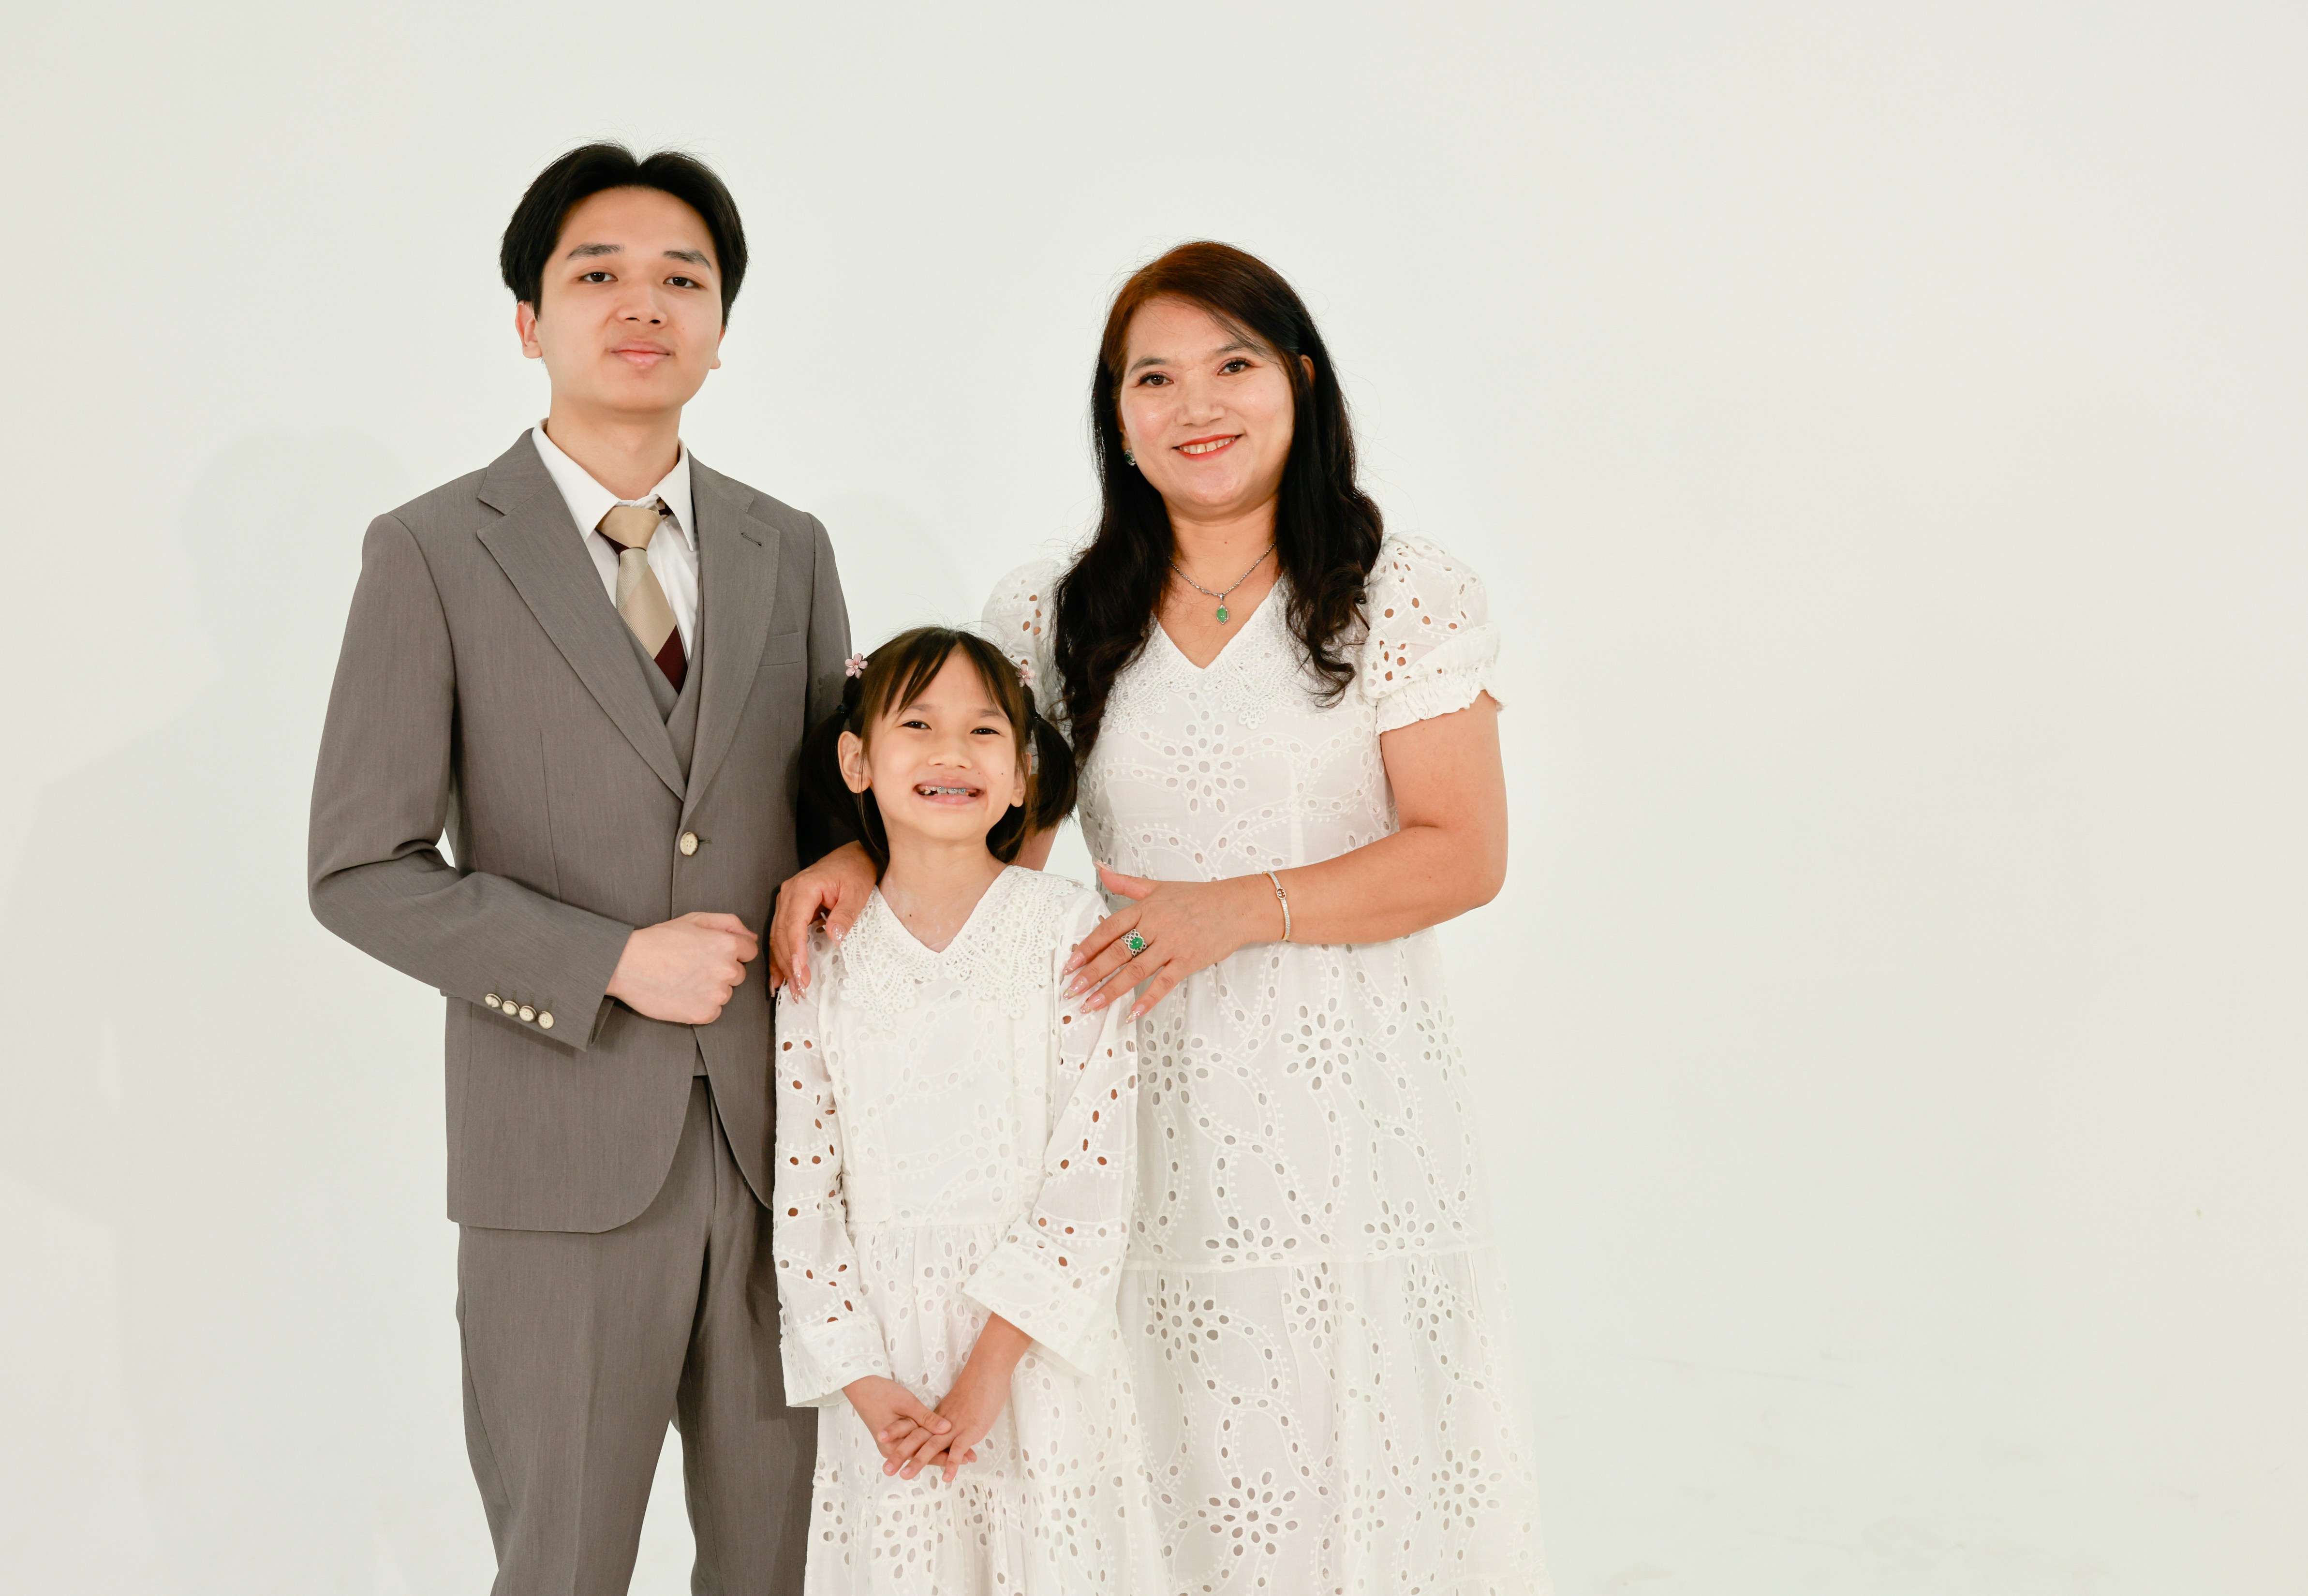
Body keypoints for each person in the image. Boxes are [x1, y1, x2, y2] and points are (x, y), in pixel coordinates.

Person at [774, 242, 1553, 1592]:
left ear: (1298, 383)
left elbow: (1461, 853)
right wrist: (852, 862)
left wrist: (1235, 912)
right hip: (1118, 1120)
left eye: (1233, 366)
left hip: (1347, 1122)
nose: (1197, 404)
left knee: (1345, 1476)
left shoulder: (1398, 594)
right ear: (1116, 415)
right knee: (1157, 1480)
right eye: (1154, 378)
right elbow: (983, 825)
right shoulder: (1051, 609)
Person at [308, 143, 865, 1595]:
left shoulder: (787, 548)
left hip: (783, 1153)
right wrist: (608, 958)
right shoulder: (430, 550)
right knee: (559, 1563)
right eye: (596, 274)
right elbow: (359, 866)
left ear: (722, 326)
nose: (643, 304)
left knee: (780, 1564)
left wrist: (856, 863)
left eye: (682, 278)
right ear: (527, 318)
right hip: (554, 1160)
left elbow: (834, 809)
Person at [772, 627, 1166, 1595]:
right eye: (917, 725)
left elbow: (1091, 1169)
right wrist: (864, 1379)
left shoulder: (1065, 929)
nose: (951, 752)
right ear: (857, 761)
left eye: (984, 731)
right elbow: (802, 1193)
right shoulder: (822, 954)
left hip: (1034, 1358)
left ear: (1024, 772)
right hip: (886, 1367)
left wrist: (991, 1368)